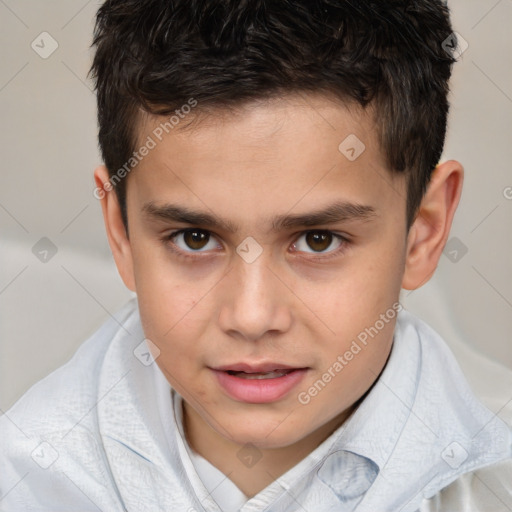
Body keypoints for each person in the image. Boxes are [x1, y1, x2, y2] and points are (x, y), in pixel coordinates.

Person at [1, 1, 511, 511]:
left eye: (318, 240)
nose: (251, 316)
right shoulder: (24, 482)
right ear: (122, 232)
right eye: (194, 239)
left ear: (424, 232)